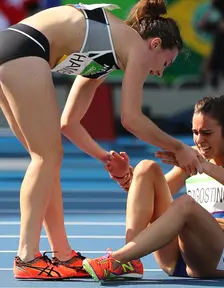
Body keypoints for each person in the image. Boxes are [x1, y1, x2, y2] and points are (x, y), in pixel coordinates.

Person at [0, 0, 203, 280]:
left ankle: (63, 254)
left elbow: (69, 123)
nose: (160, 72)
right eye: (166, 63)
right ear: (155, 44)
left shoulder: (106, 56)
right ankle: (27, 257)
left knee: (47, 161)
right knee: (46, 157)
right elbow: (131, 119)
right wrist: (179, 147)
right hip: (25, 50)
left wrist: (105, 158)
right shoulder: (136, 47)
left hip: (13, 47)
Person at [82, 95, 224, 281]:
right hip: (176, 257)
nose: (199, 139)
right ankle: (130, 261)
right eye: (195, 132)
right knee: (146, 168)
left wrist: (205, 166)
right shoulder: (194, 156)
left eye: (207, 133)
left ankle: (118, 258)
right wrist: (126, 177)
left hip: (220, 258)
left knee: (186, 204)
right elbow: (151, 197)